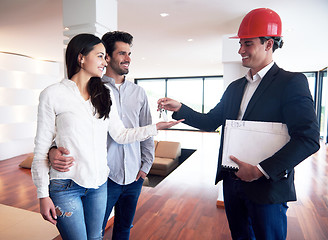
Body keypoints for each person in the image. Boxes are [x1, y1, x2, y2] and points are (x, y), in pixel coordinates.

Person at [158, 8, 320, 240]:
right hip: (233, 183)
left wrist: (259, 171)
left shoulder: (291, 82)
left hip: (267, 187)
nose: (241, 50)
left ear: (269, 45)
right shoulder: (235, 87)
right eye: (241, 43)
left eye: (248, 43)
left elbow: (308, 138)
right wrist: (180, 108)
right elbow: (210, 121)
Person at [31, 33, 182, 240]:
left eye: (105, 56)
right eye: (100, 56)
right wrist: (42, 194)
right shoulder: (53, 94)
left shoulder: (104, 94)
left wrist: (155, 127)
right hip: (65, 186)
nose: (105, 62)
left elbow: (120, 135)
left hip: (99, 184)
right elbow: (41, 148)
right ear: (81, 57)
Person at [49, 31, 155, 239]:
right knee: (94, 233)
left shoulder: (139, 92)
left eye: (129, 53)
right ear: (108, 56)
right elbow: (65, 129)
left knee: (124, 227)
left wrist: (145, 166)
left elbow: (145, 130)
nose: (128, 59)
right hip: (102, 178)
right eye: (122, 53)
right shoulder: (90, 89)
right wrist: (52, 150)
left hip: (134, 175)